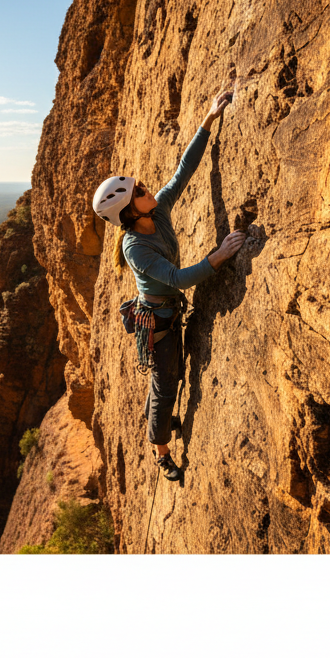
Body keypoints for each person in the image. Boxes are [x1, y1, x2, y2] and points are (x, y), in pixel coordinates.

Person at [92, 89, 245, 481]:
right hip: (158, 323)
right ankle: (160, 452)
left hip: (166, 311)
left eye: (142, 186)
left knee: (168, 378)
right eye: (139, 192)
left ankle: (154, 418)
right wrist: (219, 256)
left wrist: (208, 119)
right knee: (166, 385)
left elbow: (182, 173)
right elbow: (177, 279)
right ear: (128, 212)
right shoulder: (135, 247)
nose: (147, 189)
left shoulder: (156, 214)